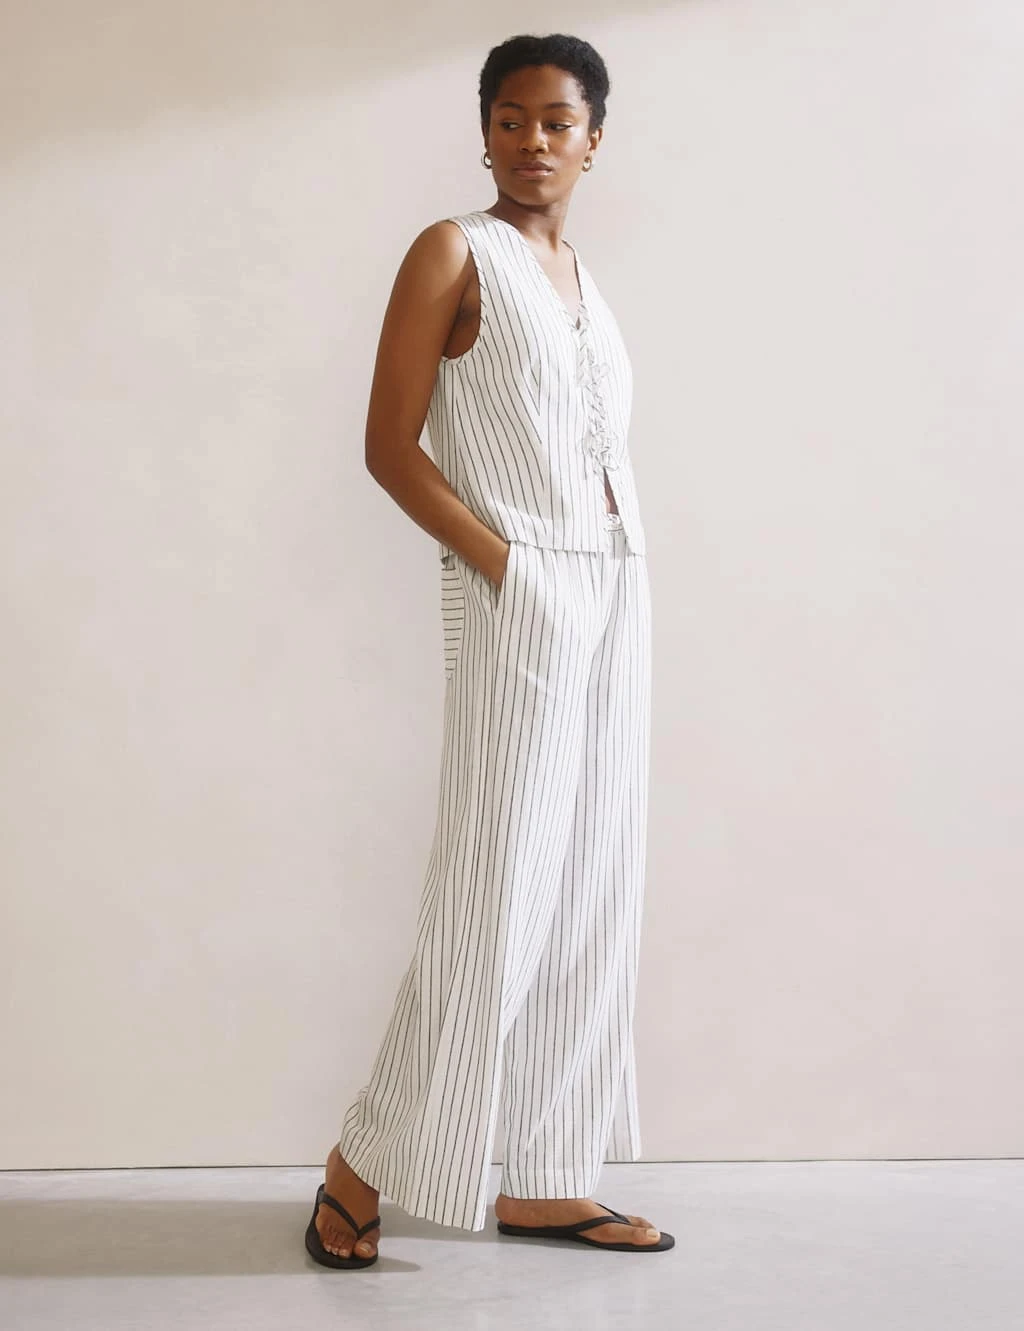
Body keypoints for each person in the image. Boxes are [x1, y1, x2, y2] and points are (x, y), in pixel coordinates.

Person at [305, 32, 672, 1268]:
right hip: (524, 587)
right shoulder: (453, 251)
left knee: (592, 886)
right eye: (509, 118)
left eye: (556, 121)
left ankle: (551, 1172)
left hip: (617, 585)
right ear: (484, 131)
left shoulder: (583, 280)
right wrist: (510, 566)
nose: (531, 141)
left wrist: (595, 579)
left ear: (593, 139)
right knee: (496, 891)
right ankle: (363, 1160)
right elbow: (388, 445)